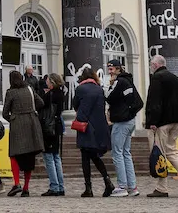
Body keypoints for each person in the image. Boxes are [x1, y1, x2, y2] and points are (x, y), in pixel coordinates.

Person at [143, 54, 178, 199]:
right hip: (176, 121)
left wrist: (152, 122)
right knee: (172, 152)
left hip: (161, 123)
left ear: (155, 65)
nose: (150, 67)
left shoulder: (157, 78)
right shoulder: (176, 79)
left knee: (159, 155)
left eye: (151, 65)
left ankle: (162, 188)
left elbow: (154, 102)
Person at [2, 68, 44, 197]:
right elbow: (41, 102)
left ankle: (16, 183)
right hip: (31, 124)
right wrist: (31, 111)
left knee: (14, 154)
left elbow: (4, 113)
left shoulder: (11, 92)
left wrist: (13, 119)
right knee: (29, 157)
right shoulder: (30, 89)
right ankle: (26, 188)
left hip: (17, 125)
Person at [73, 66, 114, 198]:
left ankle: (88, 188)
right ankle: (107, 181)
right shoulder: (99, 89)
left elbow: (75, 105)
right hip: (99, 127)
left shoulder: (80, 89)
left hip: (85, 126)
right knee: (95, 156)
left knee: (86, 157)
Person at [106, 57, 142, 197]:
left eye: (111, 69)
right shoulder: (128, 81)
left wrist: (110, 85)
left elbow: (108, 96)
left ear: (118, 69)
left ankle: (122, 186)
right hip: (130, 121)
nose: (110, 72)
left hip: (121, 122)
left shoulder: (119, 82)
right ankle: (132, 186)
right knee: (126, 153)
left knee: (117, 153)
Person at [40, 73, 67, 197]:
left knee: (49, 157)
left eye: (48, 81)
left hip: (49, 128)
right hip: (57, 127)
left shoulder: (50, 95)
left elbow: (40, 106)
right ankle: (60, 186)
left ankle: (54, 186)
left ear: (52, 82)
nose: (46, 82)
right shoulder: (60, 93)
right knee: (56, 157)